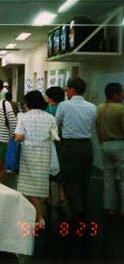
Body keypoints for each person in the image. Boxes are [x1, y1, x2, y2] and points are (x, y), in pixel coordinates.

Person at [14, 91, 59, 229]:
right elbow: (55, 136)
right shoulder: (50, 117)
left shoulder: (23, 117)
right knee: (39, 184)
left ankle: (39, 216)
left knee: (28, 185)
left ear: (28, 103)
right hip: (44, 153)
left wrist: (16, 138)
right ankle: (36, 215)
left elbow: (19, 136)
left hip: (28, 153)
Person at [55, 77, 96, 222]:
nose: (66, 91)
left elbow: (57, 124)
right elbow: (91, 124)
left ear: (72, 89)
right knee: (84, 178)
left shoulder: (64, 105)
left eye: (67, 89)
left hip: (70, 145)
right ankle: (83, 208)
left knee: (69, 178)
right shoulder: (92, 107)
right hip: (87, 145)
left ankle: (75, 209)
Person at [96, 82, 124, 219]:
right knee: (123, 179)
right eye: (121, 92)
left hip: (105, 145)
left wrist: (102, 142)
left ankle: (109, 208)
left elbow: (97, 128)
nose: (123, 95)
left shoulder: (99, 108)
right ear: (115, 95)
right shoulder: (120, 109)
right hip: (119, 145)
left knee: (108, 178)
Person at [45, 86, 66, 207]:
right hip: (62, 140)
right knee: (61, 166)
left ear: (51, 97)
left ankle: (48, 196)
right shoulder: (64, 108)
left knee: (48, 166)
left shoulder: (47, 109)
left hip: (49, 141)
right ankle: (61, 194)